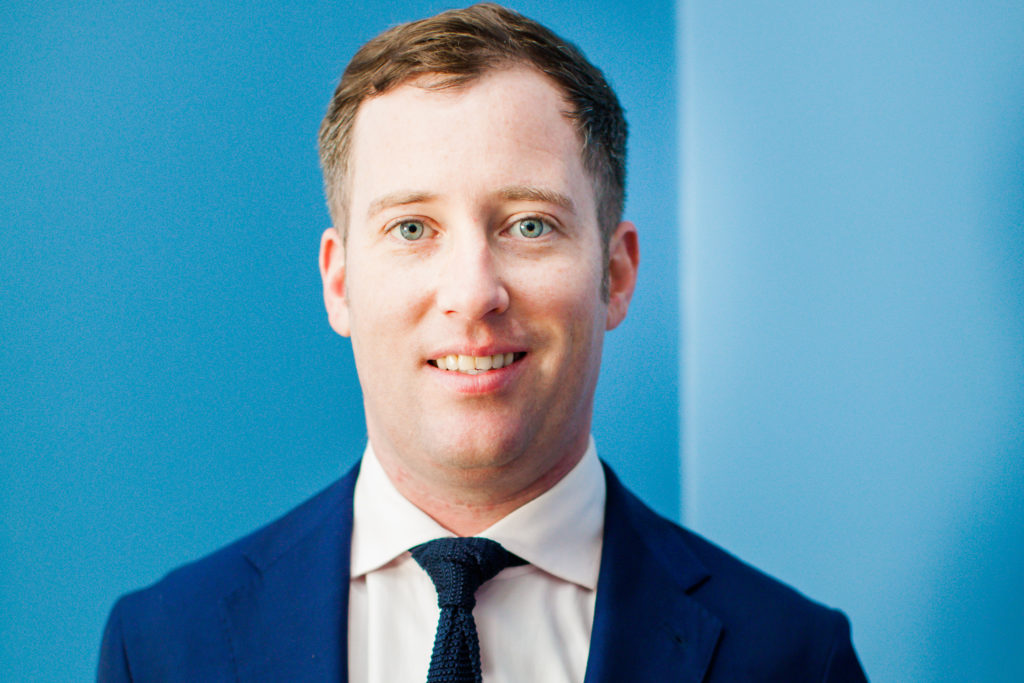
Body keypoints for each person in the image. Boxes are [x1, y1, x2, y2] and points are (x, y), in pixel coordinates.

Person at [97, 4, 867, 681]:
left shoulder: (796, 658)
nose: (472, 293)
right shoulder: (162, 649)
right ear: (339, 282)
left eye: (529, 224)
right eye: (412, 228)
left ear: (617, 273)